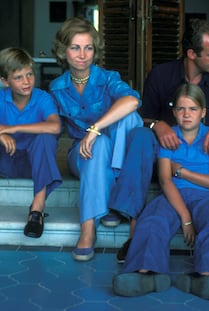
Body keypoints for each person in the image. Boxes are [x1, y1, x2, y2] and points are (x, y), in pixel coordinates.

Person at [109, 18, 209, 267]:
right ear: (192, 54)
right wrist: (156, 125)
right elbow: (142, 119)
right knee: (139, 136)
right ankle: (134, 234)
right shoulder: (161, 75)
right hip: (168, 155)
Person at [112, 83, 209, 300]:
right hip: (171, 195)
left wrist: (184, 172)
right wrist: (186, 218)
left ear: (203, 112)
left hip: (204, 195)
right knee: (152, 222)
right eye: (181, 109)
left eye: (193, 109)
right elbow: (165, 180)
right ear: (174, 112)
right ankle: (146, 274)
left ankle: (207, 277)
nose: (186, 114)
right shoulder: (169, 137)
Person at [49, 17, 143, 262]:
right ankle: (88, 227)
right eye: (75, 47)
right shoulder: (57, 88)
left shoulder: (109, 78)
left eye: (88, 47)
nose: (82, 54)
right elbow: (53, 129)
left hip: (111, 148)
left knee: (128, 118)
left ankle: (108, 203)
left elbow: (132, 101)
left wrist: (95, 128)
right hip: (82, 155)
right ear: (63, 51)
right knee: (95, 146)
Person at [0, 47, 62, 238]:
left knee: (45, 137)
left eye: (29, 74)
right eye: (18, 77)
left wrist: (13, 129)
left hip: (34, 165)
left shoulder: (43, 98)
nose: (26, 81)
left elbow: (55, 127)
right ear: (5, 81)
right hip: (5, 162)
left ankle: (37, 209)